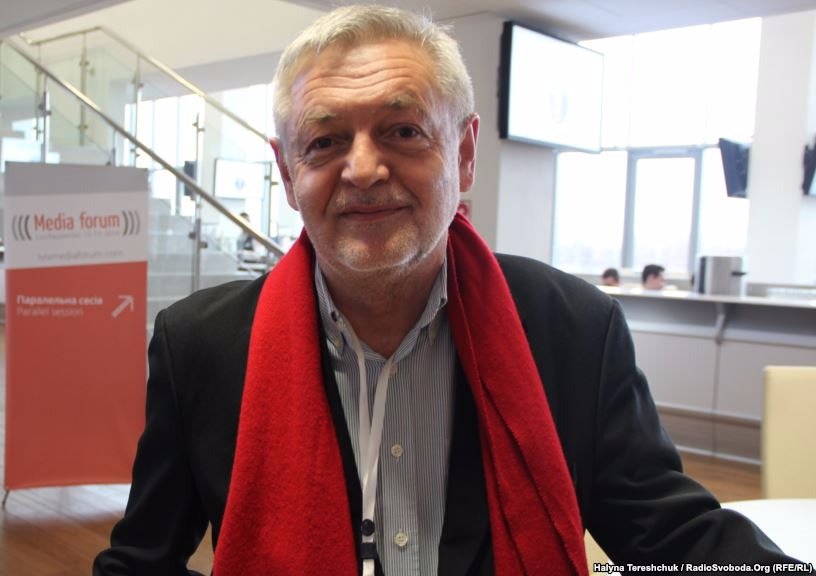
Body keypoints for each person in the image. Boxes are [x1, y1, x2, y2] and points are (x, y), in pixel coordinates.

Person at [94, 7, 794, 575]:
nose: (363, 169)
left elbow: (673, 539)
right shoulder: (202, 347)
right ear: (286, 170)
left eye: (403, 131)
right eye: (325, 141)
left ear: (463, 152)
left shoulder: (573, 330)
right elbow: (142, 561)